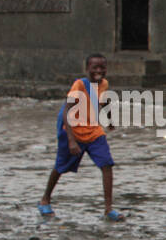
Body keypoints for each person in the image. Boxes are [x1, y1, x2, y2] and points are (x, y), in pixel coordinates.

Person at [38, 52, 124, 221]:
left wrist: (109, 119)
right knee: (61, 166)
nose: (99, 71)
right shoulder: (79, 85)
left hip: (93, 131)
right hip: (72, 131)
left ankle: (108, 209)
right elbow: (66, 113)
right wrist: (71, 140)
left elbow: (104, 101)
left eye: (102, 67)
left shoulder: (104, 84)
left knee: (107, 165)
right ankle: (45, 199)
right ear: (87, 69)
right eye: (95, 68)